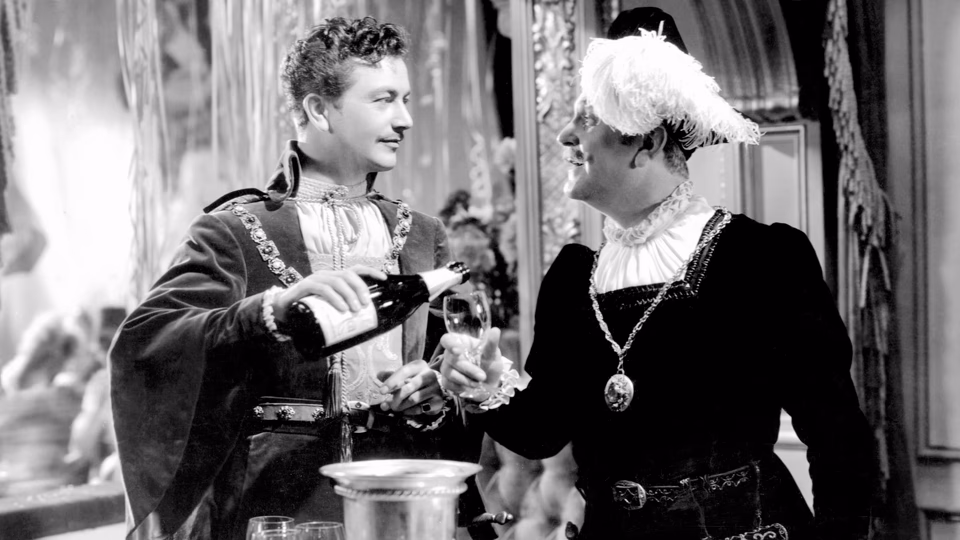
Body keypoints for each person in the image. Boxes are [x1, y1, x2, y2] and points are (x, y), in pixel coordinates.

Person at [434, 7, 876, 540]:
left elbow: (837, 436)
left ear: (648, 143)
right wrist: (487, 385)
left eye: (587, 118)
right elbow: (541, 431)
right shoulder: (574, 279)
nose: (565, 136)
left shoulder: (761, 258)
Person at [110, 17, 488, 540]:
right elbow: (145, 343)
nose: (405, 119)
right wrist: (271, 310)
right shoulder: (235, 230)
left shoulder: (422, 236)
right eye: (383, 100)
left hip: (398, 504)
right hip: (276, 509)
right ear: (318, 109)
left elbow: (452, 366)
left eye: (405, 99)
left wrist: (438, 385)